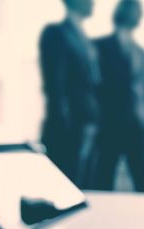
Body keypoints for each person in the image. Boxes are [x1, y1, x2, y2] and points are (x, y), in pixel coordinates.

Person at [91, 0, 144, 192]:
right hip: (110, 126)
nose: (137, 16)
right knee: (103, 181)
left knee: (143, 184)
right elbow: (94, 87)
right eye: (134, 11)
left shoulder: (142, 53)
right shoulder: (100, 47)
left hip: (137, 128)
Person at [38, 0, 99, 187]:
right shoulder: (56, 34)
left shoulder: (85, 39)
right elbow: (54, 85)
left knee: (84, 187)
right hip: (68, 129)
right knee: (65, 187)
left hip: (88, 125)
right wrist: (64, 124)